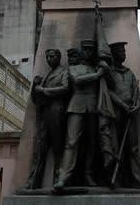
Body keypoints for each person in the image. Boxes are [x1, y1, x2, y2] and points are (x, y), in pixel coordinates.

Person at [53, 40, 108, 191]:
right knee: (71, 142)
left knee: (92, 143)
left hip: (94, 107)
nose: (88, 52)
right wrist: (97, 75)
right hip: (76, 105)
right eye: (86, 50)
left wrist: (104, 70)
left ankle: (88, 174)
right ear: (82, 51)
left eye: (91, 50)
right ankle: (63, 177)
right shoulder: (74, 68)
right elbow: (77, 81)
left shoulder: (98, 67)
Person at [26, 49, 69, 189]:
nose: (49, 59)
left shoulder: (64, 72)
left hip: (57, 113)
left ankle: (59, 180)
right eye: (47, 57)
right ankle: (33, 182)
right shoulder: (44, 77)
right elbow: (35, 100)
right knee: (39, 150)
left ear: (59, 57)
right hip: (44, 115)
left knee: (58, 150)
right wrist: (35, 87)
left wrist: (44, 91)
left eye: (52, 56)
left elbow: (65, 88)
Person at [109, 42, 140, 189]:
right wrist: (123, 105)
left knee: (132, 148)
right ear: (113, 54)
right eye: (120, 51)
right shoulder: (110, 73)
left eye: (124, 51)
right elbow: (109, 92)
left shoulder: (129, 73)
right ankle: (117, 180)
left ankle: (138, 181)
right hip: (117, 112)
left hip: (130, 113)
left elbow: (136, 92)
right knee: (115, 147)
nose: (123, 54)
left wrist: (136, 104)